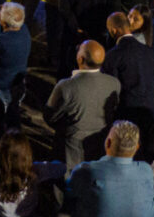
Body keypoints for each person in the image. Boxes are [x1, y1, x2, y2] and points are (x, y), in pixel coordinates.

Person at [65, 121, 154, 217]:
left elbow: (71, 192)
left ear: (108, 143)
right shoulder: (146, 170)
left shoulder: (87, 171)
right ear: (137, 147)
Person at [45, 40, 121, 170]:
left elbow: (49, 116)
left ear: (80, 59)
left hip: (72, 146)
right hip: (100, 142)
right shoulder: (114, 83)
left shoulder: (66, 86)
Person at [103, 12, 154, 161]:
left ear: (113, 30)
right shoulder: (149, 51)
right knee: (152, 162)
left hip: (130, 115)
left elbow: (111, 89)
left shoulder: (113, 56)